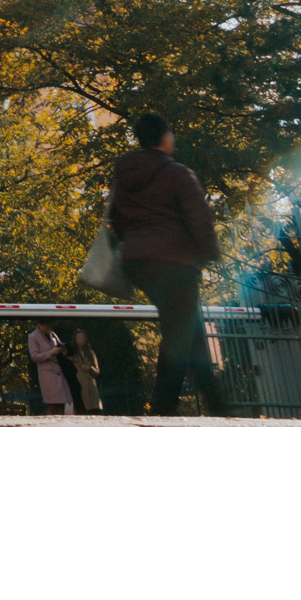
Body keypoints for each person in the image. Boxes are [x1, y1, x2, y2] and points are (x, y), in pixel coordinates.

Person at [109, 111, 224, 416]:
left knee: (190, 331)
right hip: (175, 263)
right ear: (165, 137)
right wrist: (210, 252)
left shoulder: (124, 174)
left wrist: (137, 243)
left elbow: (115, 219)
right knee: (178, 334)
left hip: (137, 263)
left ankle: (221, 408)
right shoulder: (177, 173)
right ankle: (162, 410)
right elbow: (200, 220)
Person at [27, 321, 75, 414]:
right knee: (51, 405)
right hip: (47, 376)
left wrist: (63, 349)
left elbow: (60, 346)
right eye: (46, 324)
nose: (48, 326)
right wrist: (50, 353)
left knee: (62, 404)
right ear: (39, 324)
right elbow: (34, 356)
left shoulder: (52, 334)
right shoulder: (33, 336)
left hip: (58, 374)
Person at [67, 325, 103, 414]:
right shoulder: (72, 354)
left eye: (83, 338)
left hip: (91, 385)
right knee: (81, 410)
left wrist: (90, 368)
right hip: (79, 385)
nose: (81, 340)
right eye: (79, 338)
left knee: (95, 410)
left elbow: (97, 370)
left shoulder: (90, 353)